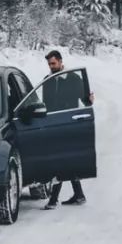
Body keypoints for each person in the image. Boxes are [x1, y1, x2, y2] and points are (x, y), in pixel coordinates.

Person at [41, 49, 94, 209]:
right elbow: (45, 104)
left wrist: (89, 100)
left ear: (60, 62)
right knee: (65, 160)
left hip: (69, 123)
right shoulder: (47, 80)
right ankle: (79, 195)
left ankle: (53, 199)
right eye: (49, 64)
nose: (51, 66)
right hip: (53, 124)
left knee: (60, 160)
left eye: (53, 63)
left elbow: (85, 101)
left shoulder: (74, 79)